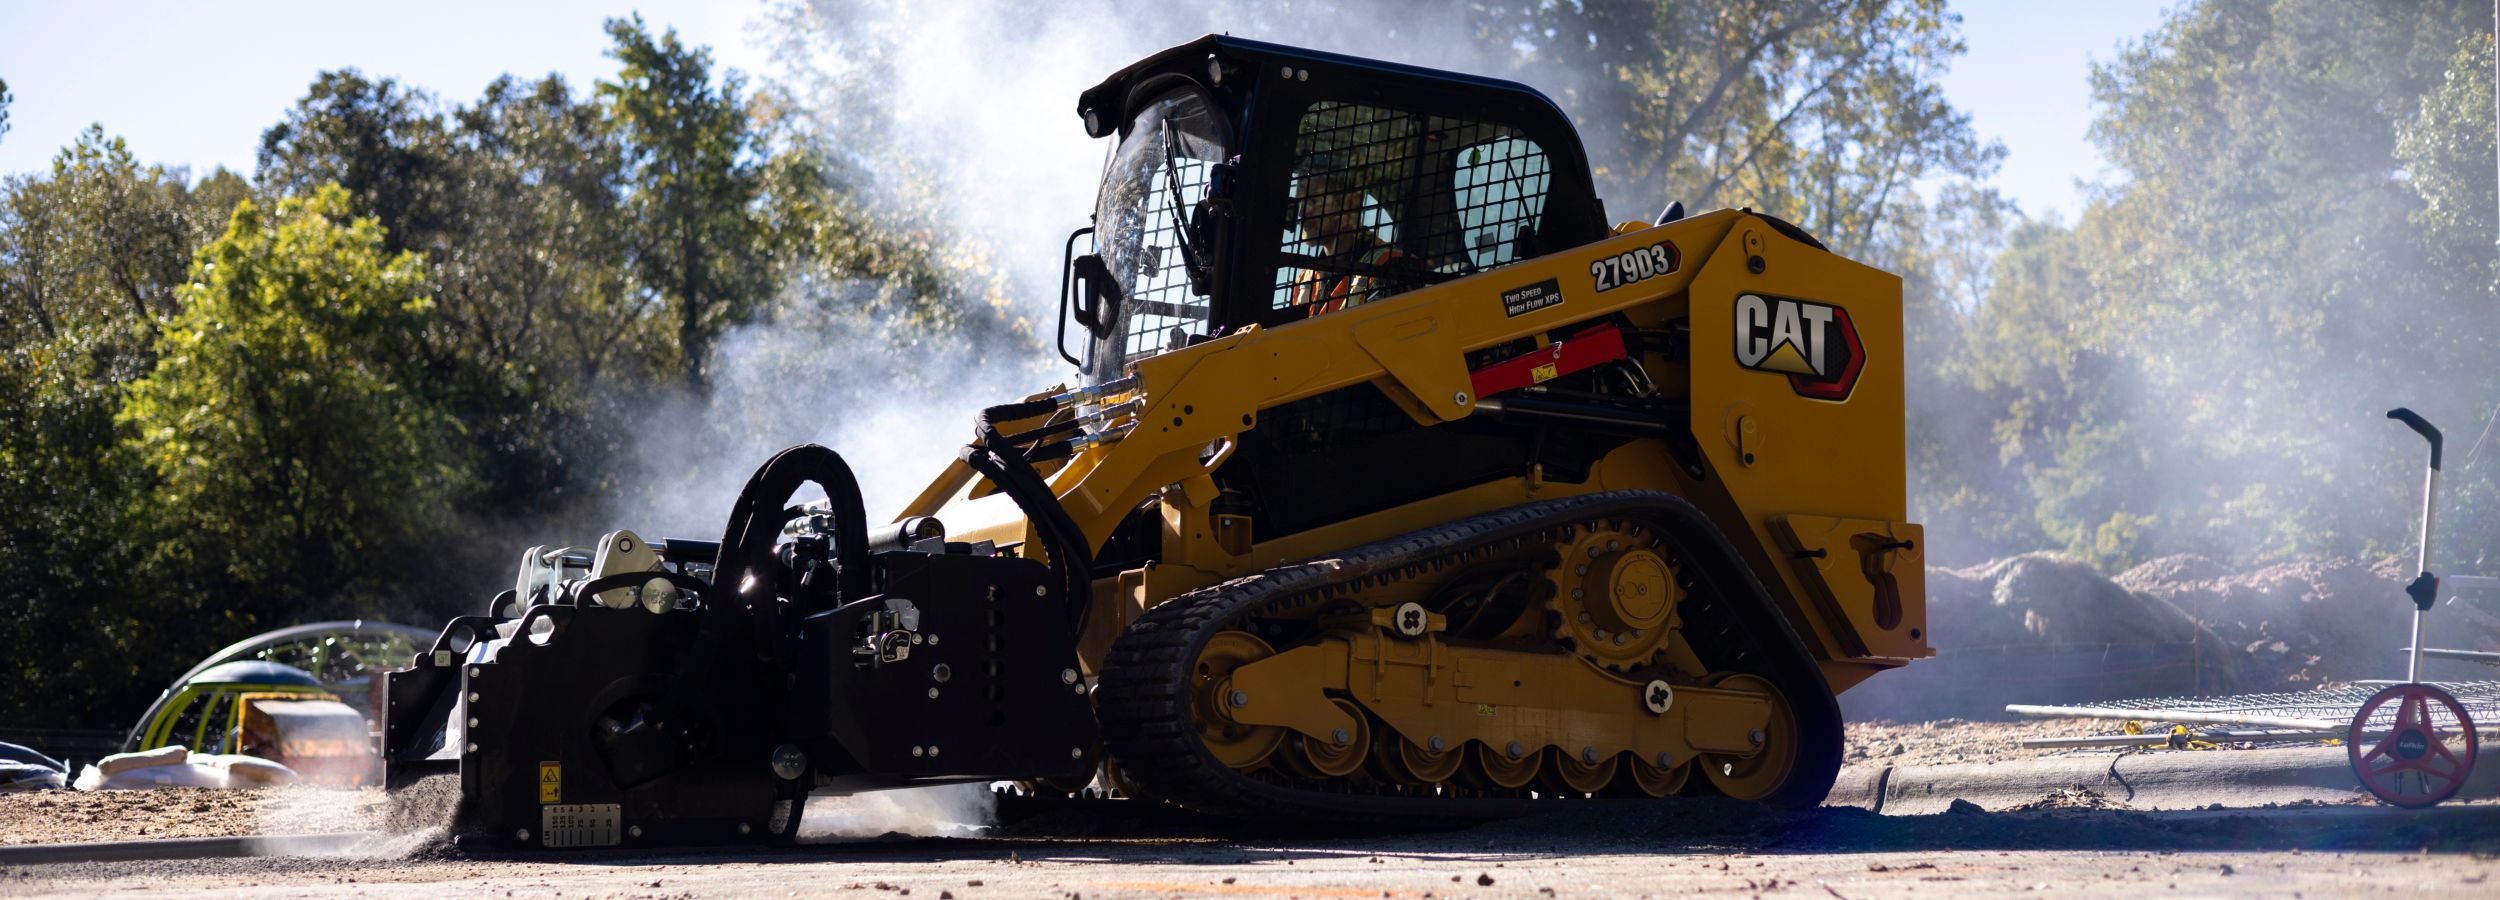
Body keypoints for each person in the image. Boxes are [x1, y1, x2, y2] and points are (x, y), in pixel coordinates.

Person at [1287, 161, 1423, 316]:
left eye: (1313, 201)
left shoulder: (1391, 267)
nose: (1302, 213)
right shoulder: (1306, 279)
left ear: (1349, 203)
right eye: (1301, 202)